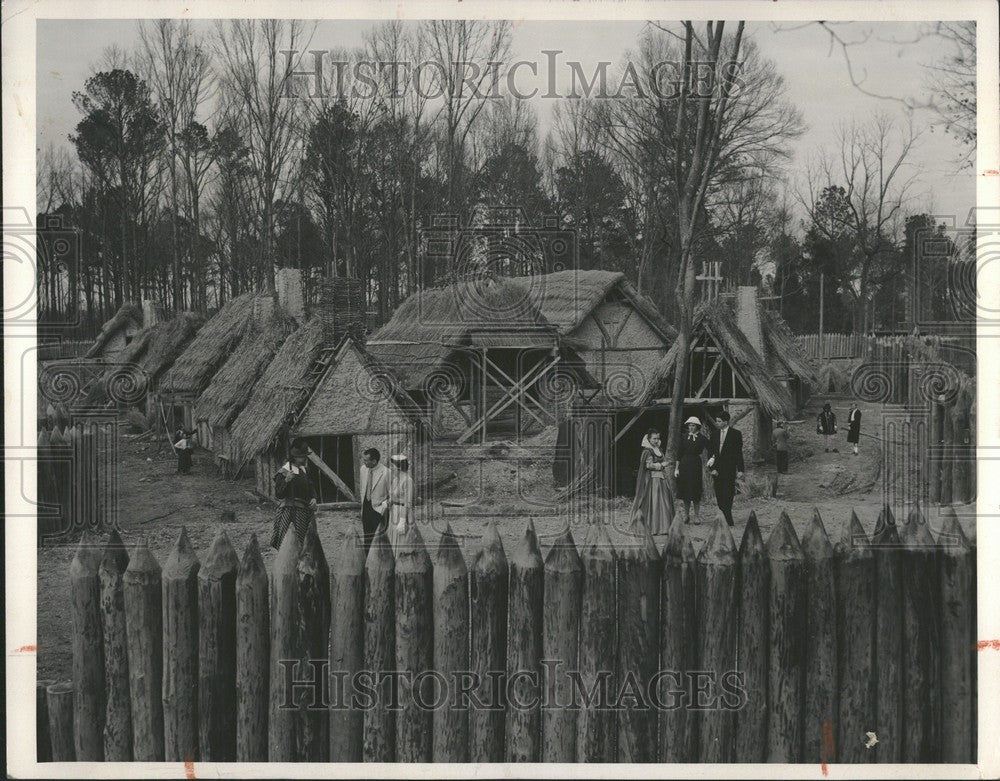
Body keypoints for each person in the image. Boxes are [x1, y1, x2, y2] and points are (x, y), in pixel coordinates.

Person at [271, 438, 317, 550]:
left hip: (304, 512)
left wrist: (314, 498)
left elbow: (310, 487)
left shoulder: (303, 470)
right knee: (289, 544)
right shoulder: (284, 472)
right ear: (294, 457)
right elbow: (279, 494)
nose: (305, 458)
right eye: (302, 456)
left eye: (305, 456)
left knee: (305, 544)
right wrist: (286, 480)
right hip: (290, 512)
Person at [629, 428, 674, 534]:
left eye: (657, 438)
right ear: (649, 439)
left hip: (661, 479)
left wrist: (665, 463)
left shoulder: (659, 449)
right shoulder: (647, 451)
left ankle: (663, 526)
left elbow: (662, 460)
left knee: (663, 501)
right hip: (652, 479)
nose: (656, 440)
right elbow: (648, 465)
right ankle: (652, 527)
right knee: (653, 501)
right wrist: (661, 465)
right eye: (654, 438)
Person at [709, 410, 744, 527]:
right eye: (717, 421)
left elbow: (739, 453)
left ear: (726, 422)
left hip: (729, 468)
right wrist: (712, 468)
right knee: (719, 493)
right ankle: (724, 514)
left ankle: (727, 517)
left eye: (719, 421)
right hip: (717, 469)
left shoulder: (736, 434)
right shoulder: (714, 434)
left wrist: (740, 469)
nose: (717, 423)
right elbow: (711, 453)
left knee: (728, 493)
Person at [674, 416, 710, 524]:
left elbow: (711, 449)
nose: (691, 427)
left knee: (695, 490)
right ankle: (686, 515)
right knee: (685, 490)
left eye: (693, 425)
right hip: (684, 464)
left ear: (697, 426)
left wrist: (712, 459)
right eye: (689, 425)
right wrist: (676, 468)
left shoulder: (702, 438)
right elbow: (679, 453)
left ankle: (697, 516)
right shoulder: (684, 437)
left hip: (695, 464)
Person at [359, 447, 389, 554]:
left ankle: (381, 560)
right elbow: (363, 486)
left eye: (366, 460)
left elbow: (393, 493)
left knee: (379, 536)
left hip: (379, 509)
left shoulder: (386, 473)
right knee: (367, 535)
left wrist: (385, 505)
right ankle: (367, 559)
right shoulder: (363, 469)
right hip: (366, 506)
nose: (364, 462)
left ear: (374, 461)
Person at [386, 454, 414, 551]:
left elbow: (408, 502)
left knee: (402, 539)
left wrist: (402, 520)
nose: (391, 468)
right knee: (392, 537)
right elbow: (393, 495)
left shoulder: (408, 480)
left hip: (403, 512)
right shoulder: (395, 480)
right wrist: (389, 502)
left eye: (392, 466)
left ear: (399, 467)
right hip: (393, 512)